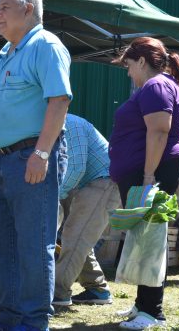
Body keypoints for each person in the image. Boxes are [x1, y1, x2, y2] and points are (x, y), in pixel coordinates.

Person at [0, 0, 71, 331]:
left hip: (31, 156)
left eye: (4, 7)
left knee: (32, 242)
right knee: (2, 243)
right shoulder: (4, 52)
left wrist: (42, 153)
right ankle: (9, 317)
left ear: (28, 10)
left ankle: (33, 321)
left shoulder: (45, 45)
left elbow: (59, 101)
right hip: (3, 160)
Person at [109, 37, 179, 330]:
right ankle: (143, 305)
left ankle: (152, 311)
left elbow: (159, 131)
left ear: (141, 61)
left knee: (152, 238)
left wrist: (147, 176)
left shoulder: (156, 85)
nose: (128, 72)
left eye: (129, 65)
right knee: (144, 237)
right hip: (148, 171)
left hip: (154, 172)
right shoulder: (155, 86)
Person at [52, 114, 121, 307]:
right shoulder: (49, 122)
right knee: (79, 237)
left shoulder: (70, 124)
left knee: (76, 236)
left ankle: (58, 292)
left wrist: (51, 197)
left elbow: (75, 168)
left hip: (104, 180)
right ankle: (97, 289)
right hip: (85, 183)